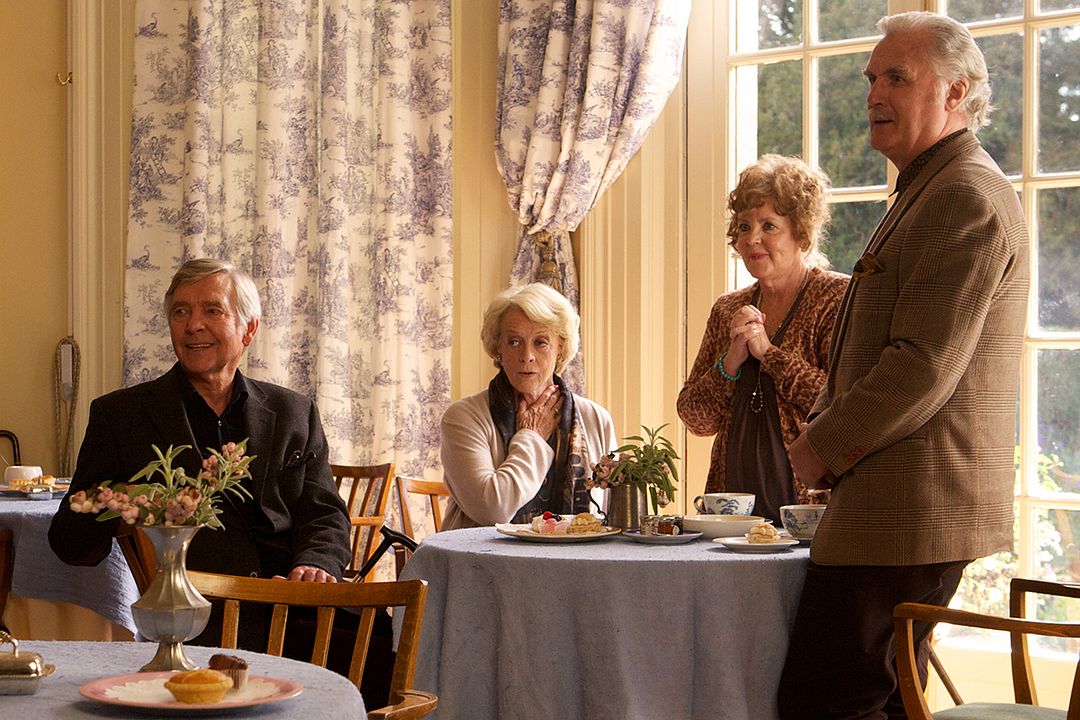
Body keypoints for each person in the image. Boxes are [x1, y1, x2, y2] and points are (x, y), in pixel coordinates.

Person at [779, 12, 1029, 720]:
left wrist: (818, 443)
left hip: (907, 508)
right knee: (874, 702)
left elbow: (921, 364)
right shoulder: (927, 187)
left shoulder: (961, 195)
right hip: (895, 505)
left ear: (956, 91)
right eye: (870, 78)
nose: (873, 94)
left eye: (897, 77)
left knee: (829, 703)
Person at [49, 258, 352, 646]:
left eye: (212, 310)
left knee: (386, 647)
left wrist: (316, 562)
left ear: (249, 329)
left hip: (292, 610)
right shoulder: (120, 415)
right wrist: (122, 502)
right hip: (194, 621)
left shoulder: (294, 411)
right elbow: (69, 543)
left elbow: (325, 513)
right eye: (180, 312)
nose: (193, 325)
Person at [677, 155, 848, 524]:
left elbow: (841, 405)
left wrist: (769, 354)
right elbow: (695, 417)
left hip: (808, 512)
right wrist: (730, 362)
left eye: (768, 225)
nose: (751, 238)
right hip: (730, 515)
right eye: (743, 226)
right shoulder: (728, 310)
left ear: (801, 232)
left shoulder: (836, 298)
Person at [440, 283, 617, 530]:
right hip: (484, 564)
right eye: (514, 341)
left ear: (561, 348)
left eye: (541, 342)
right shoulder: (463, 418)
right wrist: (531, 437)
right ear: (497, 348)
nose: (527, 356)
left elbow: (612, 515)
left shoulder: (595, 418)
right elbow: (492, 509)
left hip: (578, 562)